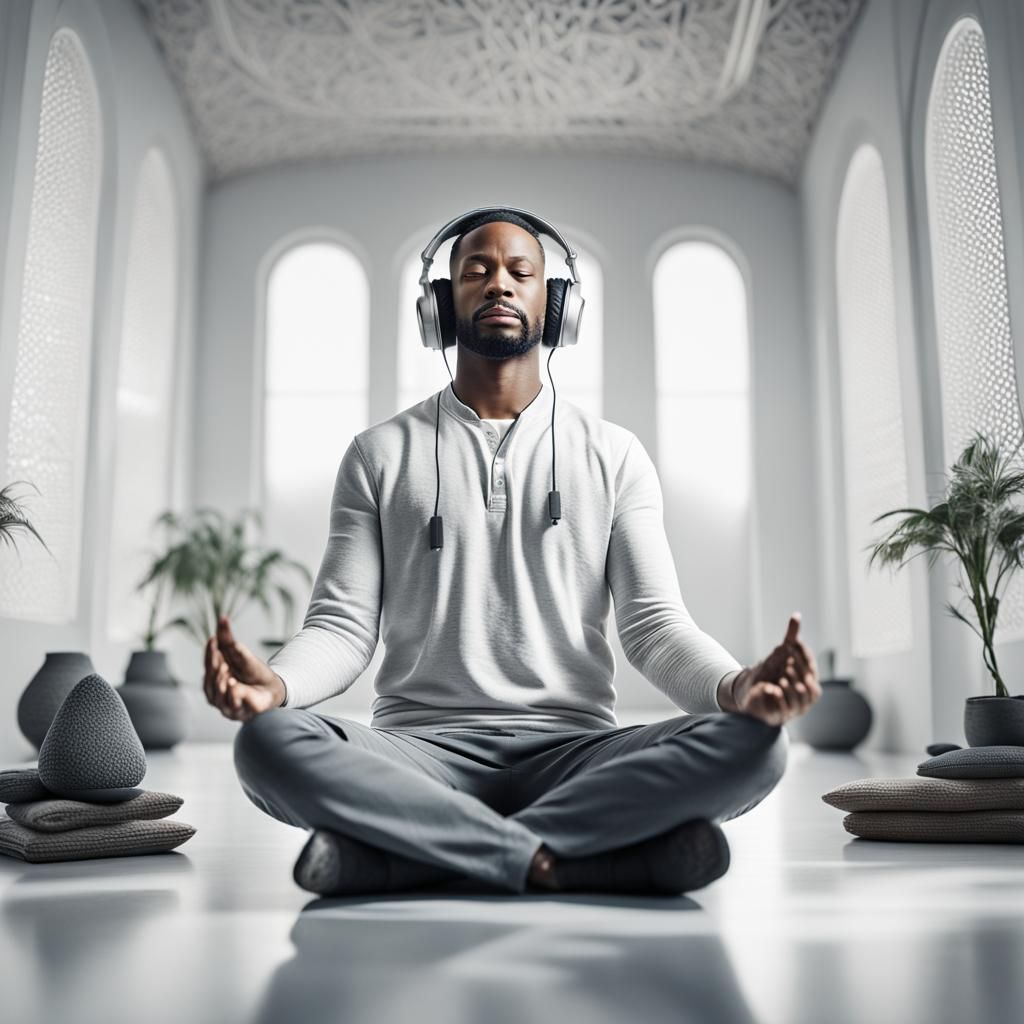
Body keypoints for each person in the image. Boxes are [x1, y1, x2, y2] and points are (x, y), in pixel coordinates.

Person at [205, 209, 822, 898]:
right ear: (441, 304)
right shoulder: (377, 454)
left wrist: (740, 689)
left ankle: (419, 851)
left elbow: (654, 627)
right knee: (266, 743)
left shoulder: (614, 455)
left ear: (556, 306)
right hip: (416, 752)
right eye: (476, 270)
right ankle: (570, 859)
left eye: (521, 272)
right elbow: (343, 627)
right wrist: (277, 687)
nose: (499, 284)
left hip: (577, 752)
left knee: (761, 745)